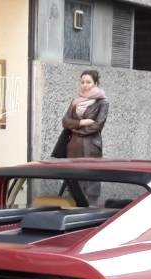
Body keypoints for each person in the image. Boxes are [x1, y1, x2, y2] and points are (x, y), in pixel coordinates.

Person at [60, 70, 108, 203]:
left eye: (88, 82)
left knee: (90, 179)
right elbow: (65, 122)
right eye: (82, 82)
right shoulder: (75, 101)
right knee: (74, 180)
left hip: (91, 145)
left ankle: (90, 210)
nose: (84, 85)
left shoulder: (102, 102)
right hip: (73, 145)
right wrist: (82, 122)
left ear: (96, 83)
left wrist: (76, 130)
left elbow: (97, 125)